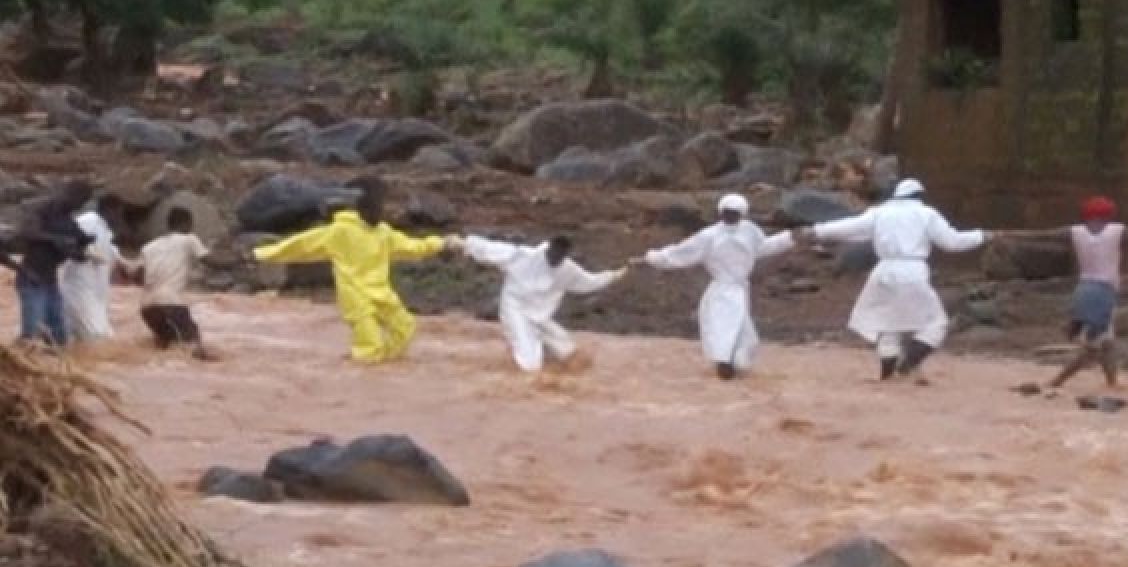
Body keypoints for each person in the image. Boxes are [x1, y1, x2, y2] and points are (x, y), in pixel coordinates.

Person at [802, 178, 990, 382]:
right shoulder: (926, 214)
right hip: (912, 272)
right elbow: (952, 242)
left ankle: (888, 375)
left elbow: (848, 227)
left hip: (883, 271)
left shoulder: (880, 212)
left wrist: (816, 231)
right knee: (936, 324)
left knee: (888, 324)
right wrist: (982, 236)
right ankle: (907, 366)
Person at [999, 195, 1128, 389]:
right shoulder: (1119, 231)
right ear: (1110, 214)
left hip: (1084, 290)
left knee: (1107, 342)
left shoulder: (1074, 232)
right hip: (1104, 292)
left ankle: (1112, 383)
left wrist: (1005, 234)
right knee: (1093, 347)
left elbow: (1039, 235)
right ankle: (1057, 382)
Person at [253, 177, 453, 364]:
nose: (384, 210)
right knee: (369, 346)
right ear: (363, 205)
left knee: (405, 328)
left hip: (382, 294)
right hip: (356, 297)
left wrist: (442, 243)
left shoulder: (383, 233)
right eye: (380, 204)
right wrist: (263, 253)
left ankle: (386, 371)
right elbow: (303, 245)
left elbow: (412, 247)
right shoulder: (341, 231)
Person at [633, 193, 794, 379]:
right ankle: (724, 362)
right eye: (728, 212)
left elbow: (764, 247)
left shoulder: (750, 231)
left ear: (742, 214)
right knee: (725, 326)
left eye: (735, 213)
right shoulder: (709, 236)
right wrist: (652, 258)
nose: (730, 216)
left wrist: (790, 239)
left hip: (740, 289)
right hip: (722, 290)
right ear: (721, 212)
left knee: (740, 328)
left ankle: (732, 363)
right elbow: (681, 253)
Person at [464, 233, 626, 371]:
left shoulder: (568, 270)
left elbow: (590, 282)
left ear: (565, 255)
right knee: (530, 365)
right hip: (515, 308)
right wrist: (463, 243)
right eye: (553, 254)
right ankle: (515, 359)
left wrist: (614, 276)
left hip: (539, 315)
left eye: (560, 256)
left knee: (569, 352)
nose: (555, 258)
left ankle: (536, 350)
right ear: (548, 249)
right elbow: (489, 249)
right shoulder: (525, 256)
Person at [13, 180, 95, 346]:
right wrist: (56, 240)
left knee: (58, 338)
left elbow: (77, 252)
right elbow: (26, 232)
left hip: (51, 281)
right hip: (32, 277)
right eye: (80, 201)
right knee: (32, 336)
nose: (80, 206)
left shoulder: (68, 221)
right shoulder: (42, 209)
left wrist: (83, 251)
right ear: (71, 194)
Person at [130, 207, 213, 359]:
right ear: (186, 223)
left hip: (147, 307)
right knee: (192, 345)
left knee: (165, 347)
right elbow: (211, 261)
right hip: (171, 304)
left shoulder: (149, 246)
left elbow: (136, 276)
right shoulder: (189, 239)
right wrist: (240, 259)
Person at [61, 193, 131, 343]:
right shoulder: (89, 221)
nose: (119, 218)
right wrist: (86, 252)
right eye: (118, 213)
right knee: (97, 340)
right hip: (80, 292)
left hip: (95, 297)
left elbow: (111, 252)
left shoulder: (105, 231)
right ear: (108, 210)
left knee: (85, 340)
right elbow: (70, 239)